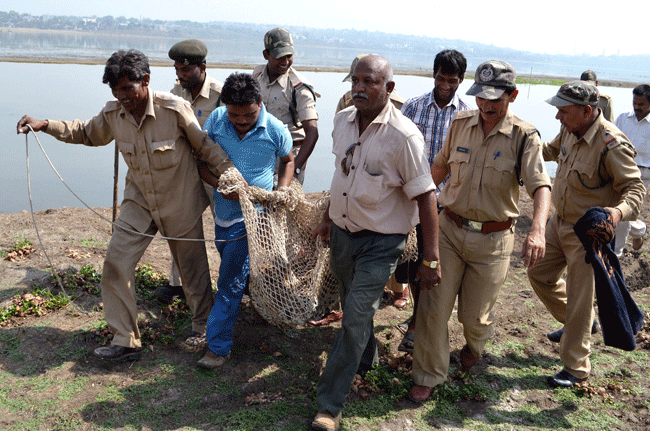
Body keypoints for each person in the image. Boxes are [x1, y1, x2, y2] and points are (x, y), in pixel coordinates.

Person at [16, 49, 237, 361]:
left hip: (180, 201)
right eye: (115, 90)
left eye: (126, 88)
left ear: (145, 81)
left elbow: (205, 147)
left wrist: (234, 179)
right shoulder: (113, 114)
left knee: (194, 272)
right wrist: (45, 125)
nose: (121, 96)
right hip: (139, 202)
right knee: (116, 263)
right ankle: (125, 340)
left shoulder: (173, 109)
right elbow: (85, 133)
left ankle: (202, 327)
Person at [409, 60, 552, 403]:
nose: (486, 106)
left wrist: (537, 230)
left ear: (512, 95)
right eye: (481, 98)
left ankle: (474, 345)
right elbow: (440, 167)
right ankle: (429, 373)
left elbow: (541, 186)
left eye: (495, 99)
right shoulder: (459, 123)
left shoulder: (524, 136)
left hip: (494, 240)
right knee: (433, 306)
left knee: (475, 317)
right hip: (449, 230)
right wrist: (413, 207)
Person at [310, 54, 441, 431]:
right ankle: (367, 358)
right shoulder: (341, 121)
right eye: (356, 81)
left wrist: (430, 258)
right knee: (355, 305)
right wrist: (326, 219)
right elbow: (341, 179)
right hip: (342, 236)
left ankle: (329, 405)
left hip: (382, 242)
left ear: (389, 88)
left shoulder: (404, 136)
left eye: (370, 82)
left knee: (354, 314)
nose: (361, 88)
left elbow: (426, 196)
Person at [527, 80, 645, 387]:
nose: (558, 117)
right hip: (558, 221)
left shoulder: (611, 144)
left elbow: (635, 189)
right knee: (538, 272)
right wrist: (521, 147)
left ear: (587, 111)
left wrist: (617, 213)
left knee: (581, 298)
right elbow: (551, 151)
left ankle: (577, 368)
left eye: (563, 111)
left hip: (586, 234)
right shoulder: (571, 127)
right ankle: (578, 323)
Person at [195, 72, 294, 369]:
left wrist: (281, 191)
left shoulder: (275, 129)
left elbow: (288, 161)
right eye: (235, 115)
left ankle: (218, 348)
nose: (241, 121)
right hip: (222, 214)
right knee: (233, 267)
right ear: (225, 107)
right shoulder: (215, 120)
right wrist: (218, 185)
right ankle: (253, 308)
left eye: (249, 115)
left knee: (229, 281)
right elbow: (201, 160)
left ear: (260, 104)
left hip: (254, 217)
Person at [393, 49, 471, 354]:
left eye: (452, 80)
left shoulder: (465, 115)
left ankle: (416, 324)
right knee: (410, 264)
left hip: (444, 203)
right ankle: (415, 314)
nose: (445, 85)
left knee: (431, 261)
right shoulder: (412, 107)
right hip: (411, 199)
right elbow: (396, 148)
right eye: (441, 78)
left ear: (461, 80)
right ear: (433, 74)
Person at [155, 39, 225, 306]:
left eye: (186, 71)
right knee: (180, 226)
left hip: (217, 174)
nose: (180, 76)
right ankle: (179, 285)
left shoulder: (221, 95)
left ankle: (240, 283)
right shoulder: (175, 93)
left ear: (202, 68)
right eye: (177, 70)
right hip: (187, 173)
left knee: (228, 230)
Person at [253, 27, 318, 185]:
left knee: (284, 204)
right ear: (266, 55)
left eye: (289, 56)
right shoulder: (256, 78)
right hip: (259, 152)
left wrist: (295, 167)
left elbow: (312, 133)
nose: (285, 62)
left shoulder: (300, 88)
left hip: (288, 155)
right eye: (279, 57)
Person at [614, 84, 650, 254]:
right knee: (615, 207)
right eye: (634, 102)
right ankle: (639, 230)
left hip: (642, 174)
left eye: (641, 104)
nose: (636, 107)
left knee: (625, 211)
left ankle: (617, 253)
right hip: (618, 168)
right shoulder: (622, 119)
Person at [335, 54, 406, 113]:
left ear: (389, 88)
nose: (359, 88)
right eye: (355, 81)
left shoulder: (402, 107)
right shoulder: (346, 102)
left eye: (367, 81)